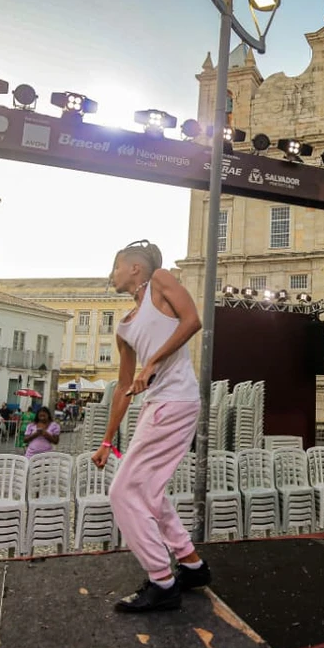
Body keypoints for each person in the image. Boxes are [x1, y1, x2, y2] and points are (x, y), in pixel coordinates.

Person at [93, 239, 208, 613]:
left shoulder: (160, 280)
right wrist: (107, 441)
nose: (111, 274)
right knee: (149, 493)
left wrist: (153, 363)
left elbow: (193, 321)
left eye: (115, 267)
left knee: (123, 493)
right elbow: (124, 389)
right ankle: (191, 565)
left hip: (173, 402)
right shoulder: (124, 329)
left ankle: (162, 581)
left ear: (134, 269)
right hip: (156, 407)